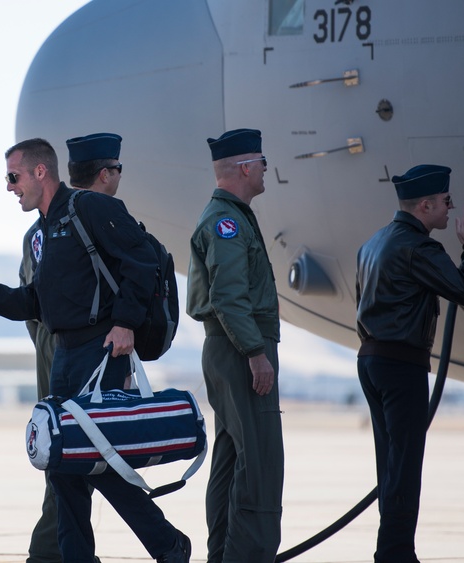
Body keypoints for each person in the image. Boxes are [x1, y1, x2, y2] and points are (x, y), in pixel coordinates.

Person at [0, 138, 190, 563]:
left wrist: (125, 323)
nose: (9, 187)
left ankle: (168, 545)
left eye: (13, 176)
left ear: (40, 172)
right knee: (62, 464)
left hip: (102, 353)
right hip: (66, 356)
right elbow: (36, 302)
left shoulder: (90, 209)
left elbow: (143, 262)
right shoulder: (44, 230)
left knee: (101, 460)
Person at [355, 164, 464, 563]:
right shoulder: (419, 247)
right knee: (405, 468)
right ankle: (396, 554)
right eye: (446, 202)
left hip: (372, 360)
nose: (450, 209)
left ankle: (390, 550)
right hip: (401, 366)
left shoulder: (373, 242)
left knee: (390, 466)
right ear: (425, 205)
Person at [23, 132, 122, 563]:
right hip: (74, 347)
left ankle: (64, 552)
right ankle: (51, 553)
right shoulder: (87, 220)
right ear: (106, 174)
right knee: (76, 451)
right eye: (117, 170)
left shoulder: (43, 226)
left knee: (70, 450)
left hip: (57, 344)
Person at [186, 128, 283, 563]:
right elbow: (228, 296)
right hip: (240, 348)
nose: (266, 169)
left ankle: (224, 554)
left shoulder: (234, 216)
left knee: (230, 460)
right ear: (245, 168)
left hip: (231, 349)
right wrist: (256, 353)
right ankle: (247, 555)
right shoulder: (226, 223)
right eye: (261, 162)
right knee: (259, 461)